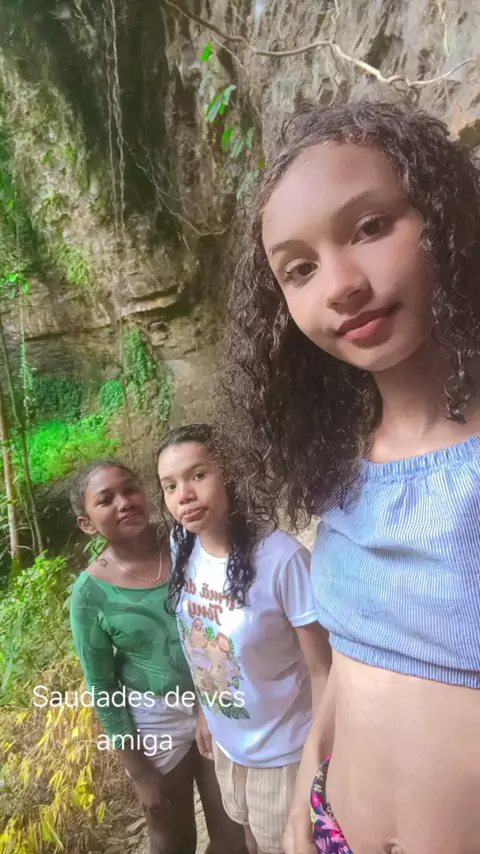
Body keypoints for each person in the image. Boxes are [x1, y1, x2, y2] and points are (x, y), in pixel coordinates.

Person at [219, 99, 480, 854]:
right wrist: (308, 787)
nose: (339, 285)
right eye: (299, 269)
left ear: (446, 214)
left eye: (369, 227)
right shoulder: (341, 468)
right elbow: (348, 663)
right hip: (335, 828)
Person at [156, 424, 332, 854]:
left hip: (286, 753)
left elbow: (323, 669)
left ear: (232, 474)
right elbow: (199, 644)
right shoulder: (183, 545)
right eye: (170, 486)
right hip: (228, 745)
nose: (184, 495)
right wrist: (206, 710)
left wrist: (321, 760)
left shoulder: (282, 559)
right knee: (249, 838)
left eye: (198, 475)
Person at [69, 458, 247, 854]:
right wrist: (139, 772)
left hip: (216, 696)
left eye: (130, 489)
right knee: (170, 836)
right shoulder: (89, 594)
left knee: (234, 828)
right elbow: (102, 685)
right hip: (155, 717)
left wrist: (211, 700)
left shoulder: (191, 543)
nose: (124, 502)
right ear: (87, 523)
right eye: (106, 500)